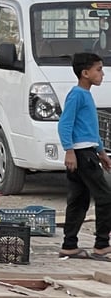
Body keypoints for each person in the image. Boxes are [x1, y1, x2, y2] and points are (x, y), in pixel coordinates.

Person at [58, 52, 111, 261]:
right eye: (98, 70)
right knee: (106, 197)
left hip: (89, 152)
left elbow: (90, 130)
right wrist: (69, 150)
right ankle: (102, 246)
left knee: (79, 200)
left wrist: (101, 152)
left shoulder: (86, 95)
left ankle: (69, 246)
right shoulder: (77, 94)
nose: (102, 74)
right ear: (85, 73)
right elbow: (65, 124)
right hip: (81, 154)